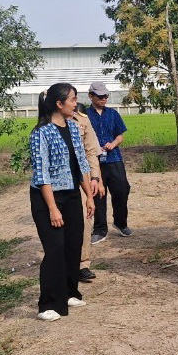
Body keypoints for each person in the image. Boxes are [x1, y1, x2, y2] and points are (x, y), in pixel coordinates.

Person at [28, 82, 94, 321]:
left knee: (73, 245)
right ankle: (48, 304)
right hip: (48, 198)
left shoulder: (74, 128)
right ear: (59, 104)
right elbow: (41, 173)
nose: (76, 104)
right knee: (55, 249)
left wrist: (89, 195)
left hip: (72, 194)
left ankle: (69, 292)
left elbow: (81, 165)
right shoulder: (41, 133)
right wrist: (53, 208)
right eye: (73, 100)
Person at [85, 81, 132, 242]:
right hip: (93, 160)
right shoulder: (84, 116)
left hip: (113, 158)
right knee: (97, 194)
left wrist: (113, 143)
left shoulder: (113, 114)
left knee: (122, 189)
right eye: (100, 96)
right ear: (91, 96)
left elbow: (120, 135)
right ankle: (99, 229)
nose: (103, 98)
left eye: (105, 95)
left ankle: (120, 222)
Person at [74, 110, 104, 283]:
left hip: (84, 175)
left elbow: (91, 151)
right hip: (61, 180)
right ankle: (65, 262)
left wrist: (95, 178)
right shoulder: (49, 121)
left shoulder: (83, 121)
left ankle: (83, 265)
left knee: (86, 220)